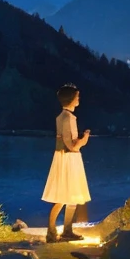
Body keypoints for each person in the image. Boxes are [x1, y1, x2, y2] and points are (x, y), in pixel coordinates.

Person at [42, 83, 92, 242]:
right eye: (77, 96)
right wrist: (84, 140)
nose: (78, 99)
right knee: (66, 195)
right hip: (70, 158)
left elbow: (64, 140)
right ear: (71, 99)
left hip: (63, 157)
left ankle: (64, 230)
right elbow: (72, 145)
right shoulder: (69, 118)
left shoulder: (62, 117)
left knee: (69, 195)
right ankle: (54, 231)